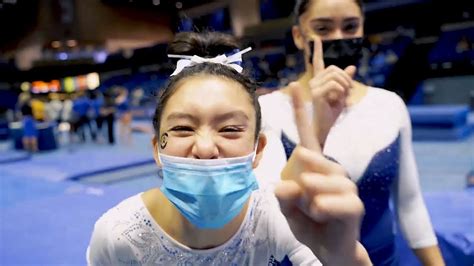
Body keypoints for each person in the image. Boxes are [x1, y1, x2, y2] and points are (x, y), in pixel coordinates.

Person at [87, 31, 370, 265]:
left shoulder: (278, 218)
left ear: (258, 149)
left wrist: (343, 255)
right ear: (156, 149)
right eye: (183, 128)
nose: (206, 148)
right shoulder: (116, 235)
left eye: (230, 129)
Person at [255, 0, 444, 265]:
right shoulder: (270, 109)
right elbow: (269, 215)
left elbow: (410, 205)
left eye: (350, 27)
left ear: (362, 30)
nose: (338, 38)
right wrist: (319, 128)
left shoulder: (389, 105)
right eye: (323, 28)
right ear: (299, 36)